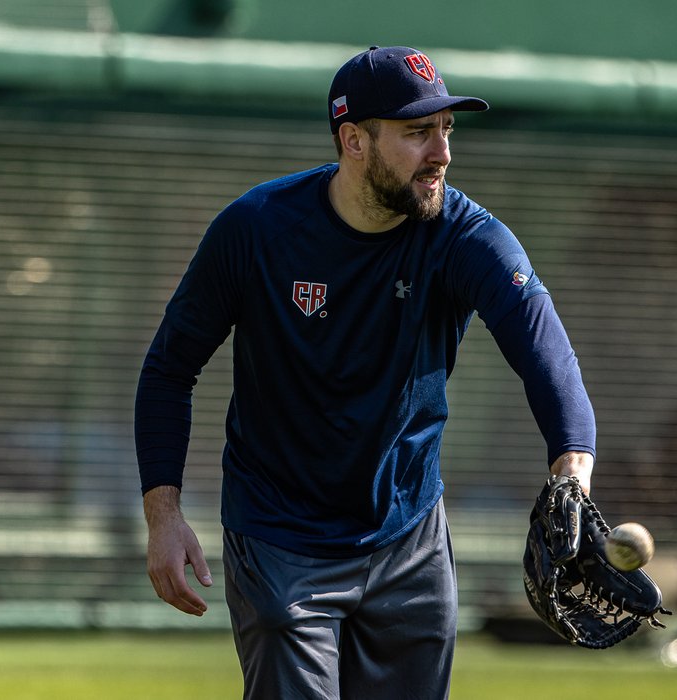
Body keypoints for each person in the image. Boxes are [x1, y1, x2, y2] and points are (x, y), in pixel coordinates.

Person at [135, 45, 596, 699]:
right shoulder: (257, 230)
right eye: (417, 133)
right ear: (354, 140)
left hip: (408, 538)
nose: (441, 153)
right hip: (279, 536)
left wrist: (572, 475)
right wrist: (164, 516)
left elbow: (546, 352)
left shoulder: (468, 236)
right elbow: (168, 369)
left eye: (446, 130)